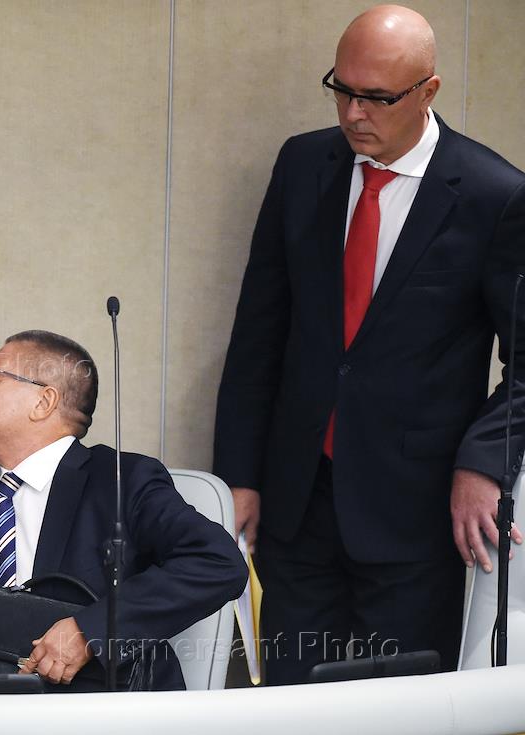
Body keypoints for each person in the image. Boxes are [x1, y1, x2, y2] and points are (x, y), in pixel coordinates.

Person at [213, 5, 525, 685]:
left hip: (414, 513)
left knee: (403, 709)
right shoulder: (303, 164)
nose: (353, 113)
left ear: (428, 90)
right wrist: (239, 475)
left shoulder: (495, 196)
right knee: (288, 702)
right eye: (342, 89)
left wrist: (483, 462)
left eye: (377, 97)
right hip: (297, 504)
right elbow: (260, 331)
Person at [0, 331, 247, 691]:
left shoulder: (122, 482)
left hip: (97, 713)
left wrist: (91, 631)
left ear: (43, 402)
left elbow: (217, 562)